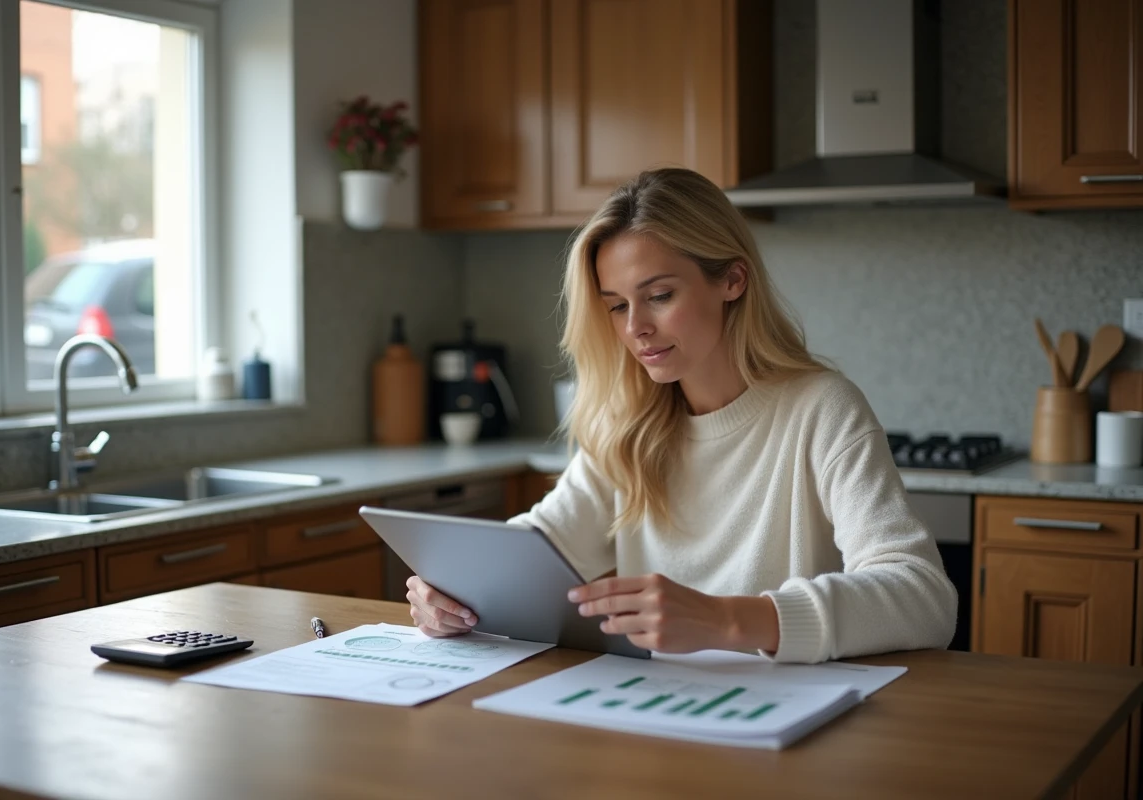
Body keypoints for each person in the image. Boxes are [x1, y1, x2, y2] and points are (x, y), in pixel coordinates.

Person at [406, 167, 958, 664]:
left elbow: (923, 596)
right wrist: (453, 592)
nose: (635, 328)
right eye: (617, 306)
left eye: (660, 295)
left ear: (732, 281)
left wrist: (726, 620)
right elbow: (536, 547)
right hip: (656, 720)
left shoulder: (821, 409)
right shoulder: (625, 425)